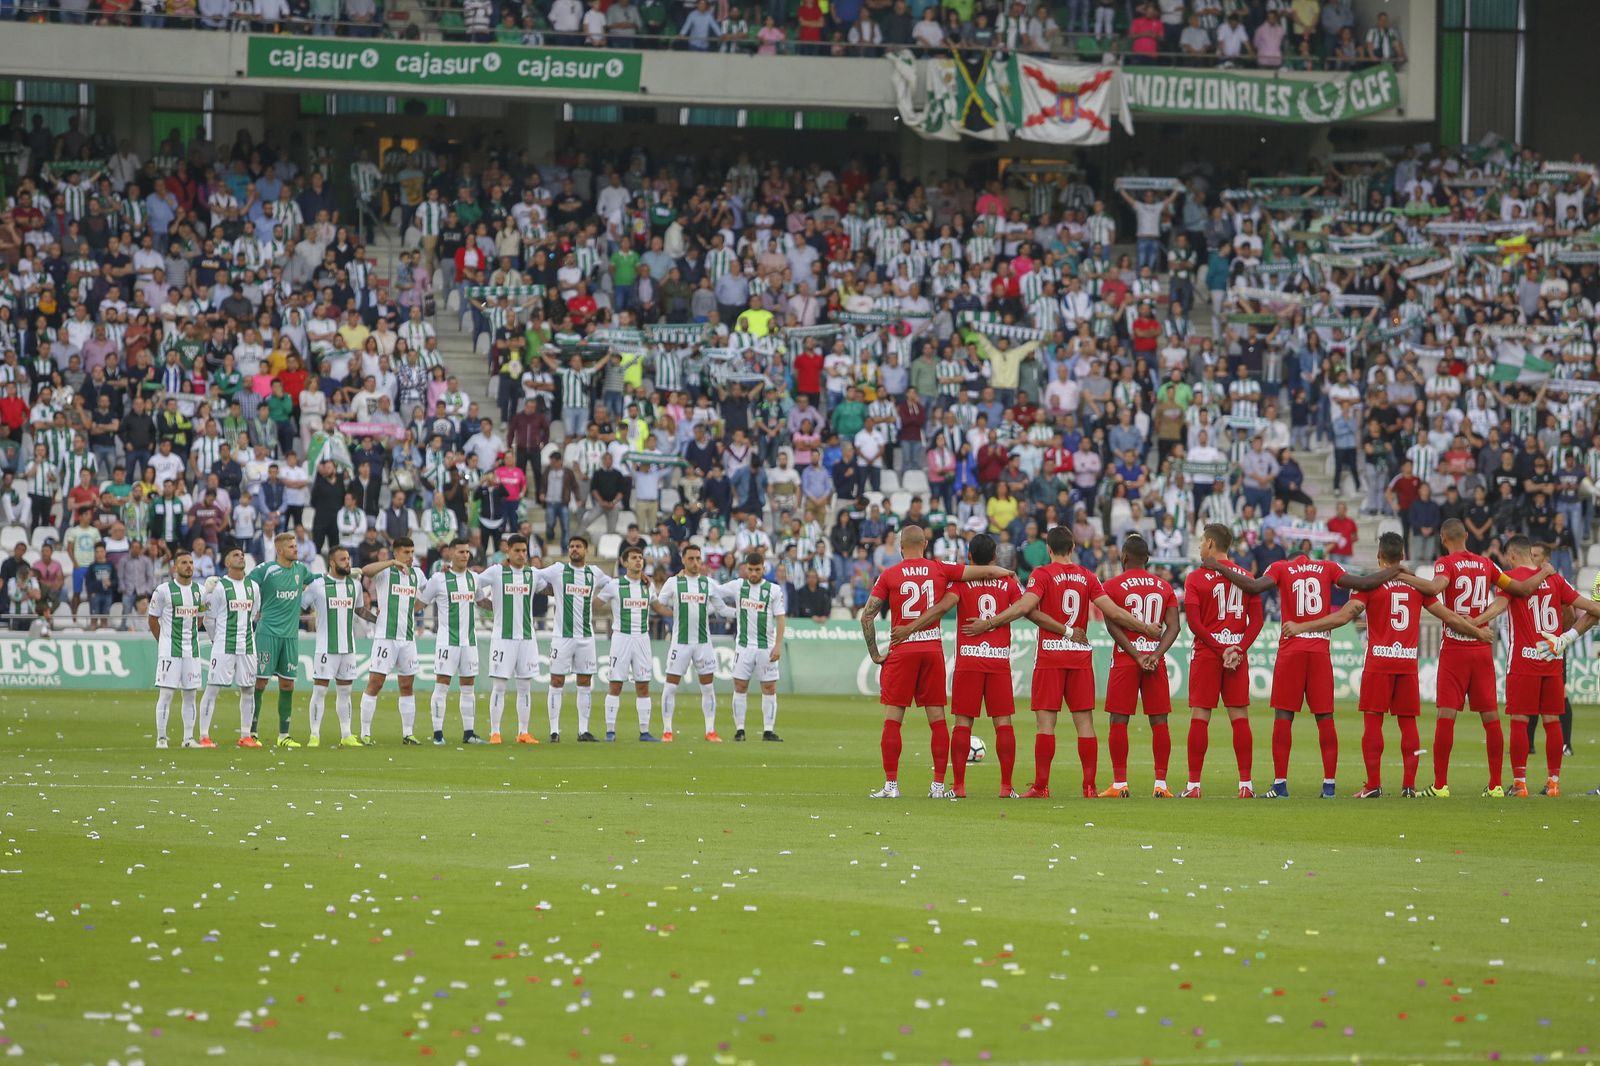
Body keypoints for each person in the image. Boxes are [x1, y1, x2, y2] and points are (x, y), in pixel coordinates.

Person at [1284, 532, 1493, 797]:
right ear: (1403, 556)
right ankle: (1409, 786)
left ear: (1379, 556)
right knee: (1408, 724)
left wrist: (1302, 626)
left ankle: (1373, 785)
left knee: (1373, 724)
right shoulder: (1417, 587)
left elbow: (1344, 616)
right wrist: (1478, 632)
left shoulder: (1369, 586)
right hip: (1406, 663)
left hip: (1378, 662)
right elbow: (1449, 616)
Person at [965, 525, 1158, 798]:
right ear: (1074, 548)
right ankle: (1089, 787)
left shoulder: (1042, 574)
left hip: (1050, 656)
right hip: (1079, 658)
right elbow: (1113, 611)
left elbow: (1024, 607)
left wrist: (990, 622)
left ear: (1048, 548)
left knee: (1046, 725)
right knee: (1085, 723)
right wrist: (1144, 627)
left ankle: (1041, 786)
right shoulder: (1087, 576)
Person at [1205, 546, 1404, 798]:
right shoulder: (1328, 567)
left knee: (1284, 716)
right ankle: (1329, 786)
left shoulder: (1280, 568)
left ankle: (1280, 785)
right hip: (1320, 649)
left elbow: (1254, 587)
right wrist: (1397, 570)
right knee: (1325, 718)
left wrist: (1221, 566)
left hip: (1292, 648)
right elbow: (1362, 583)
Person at [893, 532, 1068, 799]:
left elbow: (941, 609)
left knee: (963, 722)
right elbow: (1025, 609)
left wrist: (910, 628)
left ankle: (959, 786)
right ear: (995, 558)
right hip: (998, 660)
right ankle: (1006, 788)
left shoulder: (960, 585)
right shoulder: (1007, 583)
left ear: (970, 558)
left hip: (969, 660)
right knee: (1003, 723)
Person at [861, 524, 1015, 798]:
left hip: (903, 649)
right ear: (924, 544)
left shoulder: (889, 574)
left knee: (894, 717)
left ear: (900, 547)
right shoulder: (940, 568)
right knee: (938, 719)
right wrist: (1005, 572)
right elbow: (985, 571)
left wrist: (875, 654)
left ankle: (892, 786)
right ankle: (938, 786)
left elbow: (867, 615)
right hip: (932, 650)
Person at [1408, 519, 1551, 797]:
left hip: (1455, 647)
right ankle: (1496, 785)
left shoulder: (1445, 563)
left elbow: (1436, 587)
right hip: (1482, 649)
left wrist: (1404, 576)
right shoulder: (1487, 565)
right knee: (1491, 718)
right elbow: (1520, 589)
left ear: (1443, 538)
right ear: (1467, 536)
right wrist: (1544, 572)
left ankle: (1439, 786)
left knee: (1446, 715)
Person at [1473, 535, 1600, 798]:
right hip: (1552, 659)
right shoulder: (1554, 578)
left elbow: (1499, 606)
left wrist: (1474, 622)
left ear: (1510, 556)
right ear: (1531, 554)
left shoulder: (1510, 578)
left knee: (1520, 720)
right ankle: (1553, 782)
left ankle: (1520, 783)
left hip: (1523, 660)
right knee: (1552, 720)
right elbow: (1588, 607)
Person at [1181, 523, 1265, 798]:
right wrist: (1237, 648)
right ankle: (1246, 785)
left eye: (1202, 541)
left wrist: (1220, 649)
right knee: (1239, 716)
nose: (1200, 546)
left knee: (1200, 716)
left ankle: (1193, 786)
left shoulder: (1195, 578)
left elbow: (1194, 622)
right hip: (1235, 655)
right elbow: (1257, 621)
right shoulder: (1246, 576)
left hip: (1208, 652)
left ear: (1211, 545)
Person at [1098, 534, 1181, 798]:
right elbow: (1174, 626)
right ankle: (1161, 784)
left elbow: (1112, 623)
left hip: (1126, 657)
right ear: (1147, 559)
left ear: (1123, 557)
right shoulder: (1164, 586)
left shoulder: (1112, 584)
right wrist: (1154, 655)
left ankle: (1120, 783)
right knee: (1160, 721)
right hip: (1154, 659)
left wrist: (1134, 654)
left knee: (1118, 720)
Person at [534, 535, 616, 742]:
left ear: (586, 550)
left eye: (578, 546)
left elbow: (615, 584)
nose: (574, 549)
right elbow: (534, 575)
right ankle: (554, 731)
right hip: (562, 637)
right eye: (571, 546)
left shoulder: (593, 573)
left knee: (585, 681)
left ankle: (583, 730)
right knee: (557, 680)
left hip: (586, 638)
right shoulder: (558, 569)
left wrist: (599, 600)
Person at [302, 545, 374, 748]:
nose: (347, 563)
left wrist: (379, 620)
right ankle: (314, 735)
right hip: (326, 648)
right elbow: (301, 605)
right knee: (320, 692)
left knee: (345, 692)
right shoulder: (318, 585)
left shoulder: (355, 586)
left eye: (348, 559)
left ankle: (346, 734)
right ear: (332, 563)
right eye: (342, 559)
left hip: (348, 648)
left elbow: (359, 610)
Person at [246, 531, 313, 747]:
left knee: (287, 685)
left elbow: (320, 582)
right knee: (260, 682)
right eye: (292, 546)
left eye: (296, 545)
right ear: (280, 550)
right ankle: (251, 732)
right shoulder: (266, 570)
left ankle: (284, 735)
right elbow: (245, 586)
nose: (296, 549)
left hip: (290, 637)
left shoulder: (301, 570)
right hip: (267, 634)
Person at [358, 537, 428, 744]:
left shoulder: (417, 574)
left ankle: (408, 733)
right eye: (406, 552)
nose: (410, 556)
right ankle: (365, 732)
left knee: (407, 685)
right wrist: (390, 562)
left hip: (407, 638)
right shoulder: (386, 572)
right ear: (396, 552)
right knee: (375, 683)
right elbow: (365, 571)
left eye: (412, 552)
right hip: (385, 637)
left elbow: (428, 592)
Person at [476, 533, 542, 745]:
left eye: (524, 551)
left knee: (525, 687)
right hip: (503, 639)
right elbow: (472, 581)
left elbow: (557, 581)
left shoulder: (533, 574)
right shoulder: (496, 572)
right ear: (508, 551)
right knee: (500, 687)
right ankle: (495, 732)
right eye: (517, 551)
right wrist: (481, 601)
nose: (522, 555)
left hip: (527, 639)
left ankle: (523, 732)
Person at [652, 543, 723, 742]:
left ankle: (710, 730)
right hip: (680, 642)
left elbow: (722, 607)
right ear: (683, 560)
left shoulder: (708, 583)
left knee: (708, 687)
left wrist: (740, 613)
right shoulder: (673, 583)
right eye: (690, 559)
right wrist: (673, 613)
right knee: (671, 686)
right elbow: (659, 603)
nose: (695, 563)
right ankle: (667, 730)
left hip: (703, 643)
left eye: (698, 559)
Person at [420, 538, 487, 745]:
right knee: (442, 686)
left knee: (468, 686)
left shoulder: (474, 578)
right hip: (447, 642)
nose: (465, 555)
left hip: (469, 642)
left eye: (467, 552)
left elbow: (481, 601)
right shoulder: (438, 579)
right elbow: (420, 603)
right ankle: (438, 734)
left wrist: (506, 606)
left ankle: (469, 733)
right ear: (450, 553)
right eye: (460, 552)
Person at [713, 552, 786, 742]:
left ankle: (768, 730)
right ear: (745, 568)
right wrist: (726, 610)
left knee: (769, 687)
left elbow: (780, 618)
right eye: (750, 569)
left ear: (763, 568)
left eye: (757, 569)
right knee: (740, 686)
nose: (753, 573)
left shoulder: (773, 590)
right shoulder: (738, 586)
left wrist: (778, 645)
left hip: (766, 647)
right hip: (743, 646)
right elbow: (715, 591)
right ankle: (740, 730)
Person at [198, 547, 259, 749]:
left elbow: (254, 615)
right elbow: (209, 620)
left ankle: (245, 735)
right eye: (235, 555)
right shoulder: (219, 587)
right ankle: (204, 735)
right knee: (213, 688)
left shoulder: (253, 587)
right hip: (224, 645)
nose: (241, 556)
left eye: (242, 554)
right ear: (226, 563)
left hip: (248, 646)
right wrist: (218, 641)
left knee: (248, 689)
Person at [599, 545, 660, 742]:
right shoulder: (614, 585)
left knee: (643, 685)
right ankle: (610, 731)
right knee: (615, 684)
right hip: (621, 638)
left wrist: (677, 613)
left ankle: (644, 731)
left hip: (642, 638)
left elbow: (658, 605)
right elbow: (596, 604)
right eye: (634, 557)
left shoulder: (647, 585)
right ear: (625, 562)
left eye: (640, 557)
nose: (638, 561)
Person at [147, 548, 204, 749]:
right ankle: (161, 738)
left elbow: (200, 617)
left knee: (190, 694)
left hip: (192, 651)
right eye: (184, 563)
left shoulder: (200, 590)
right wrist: (163, 641)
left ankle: (188, 739)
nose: (188, 566)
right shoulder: (163, 591)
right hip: (170, 650)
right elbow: (153, 619)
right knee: (167, 694)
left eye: (190, 562)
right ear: (175, 567)